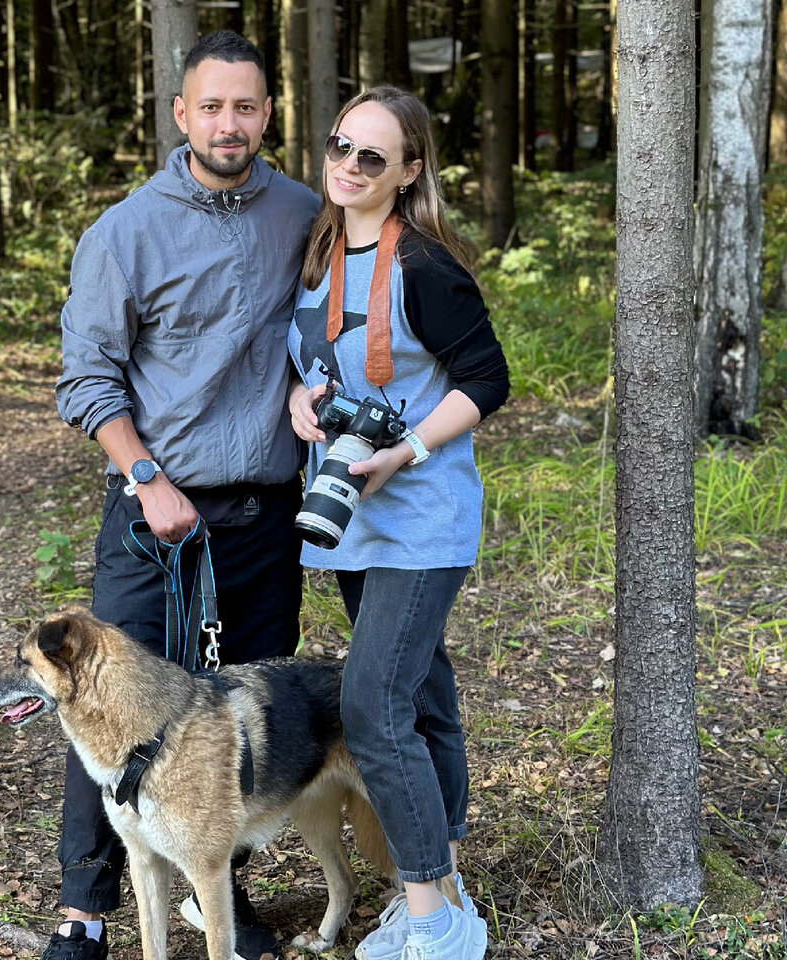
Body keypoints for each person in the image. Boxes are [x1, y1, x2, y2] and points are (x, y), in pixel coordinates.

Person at [53, 30, 321, 960]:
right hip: (153, 518)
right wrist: (145, 475)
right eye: (211, 106)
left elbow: (329, 321)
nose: (229, 123)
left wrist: (304, 383)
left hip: (264, 523)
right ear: (181, 114)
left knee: (234, 737)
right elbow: (86, 378)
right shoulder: (125, 230)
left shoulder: (304, 212)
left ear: (268, 114)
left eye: (246, 106)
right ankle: (85, 907)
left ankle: (217, 901)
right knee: (109, 713)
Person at [287, 85, 508, 960]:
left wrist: (406, 449)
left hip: (419, 514)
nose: (347, 167)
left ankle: (429, 922)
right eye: (340, 147)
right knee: (423, 703)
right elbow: (314, 357)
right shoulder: (321, 247)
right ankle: (446, 892)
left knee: (372, 708)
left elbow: (486, 380)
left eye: (371, 157)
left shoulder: (425, 265)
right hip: (350, 518)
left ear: (410, 170)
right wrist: (300, 400)